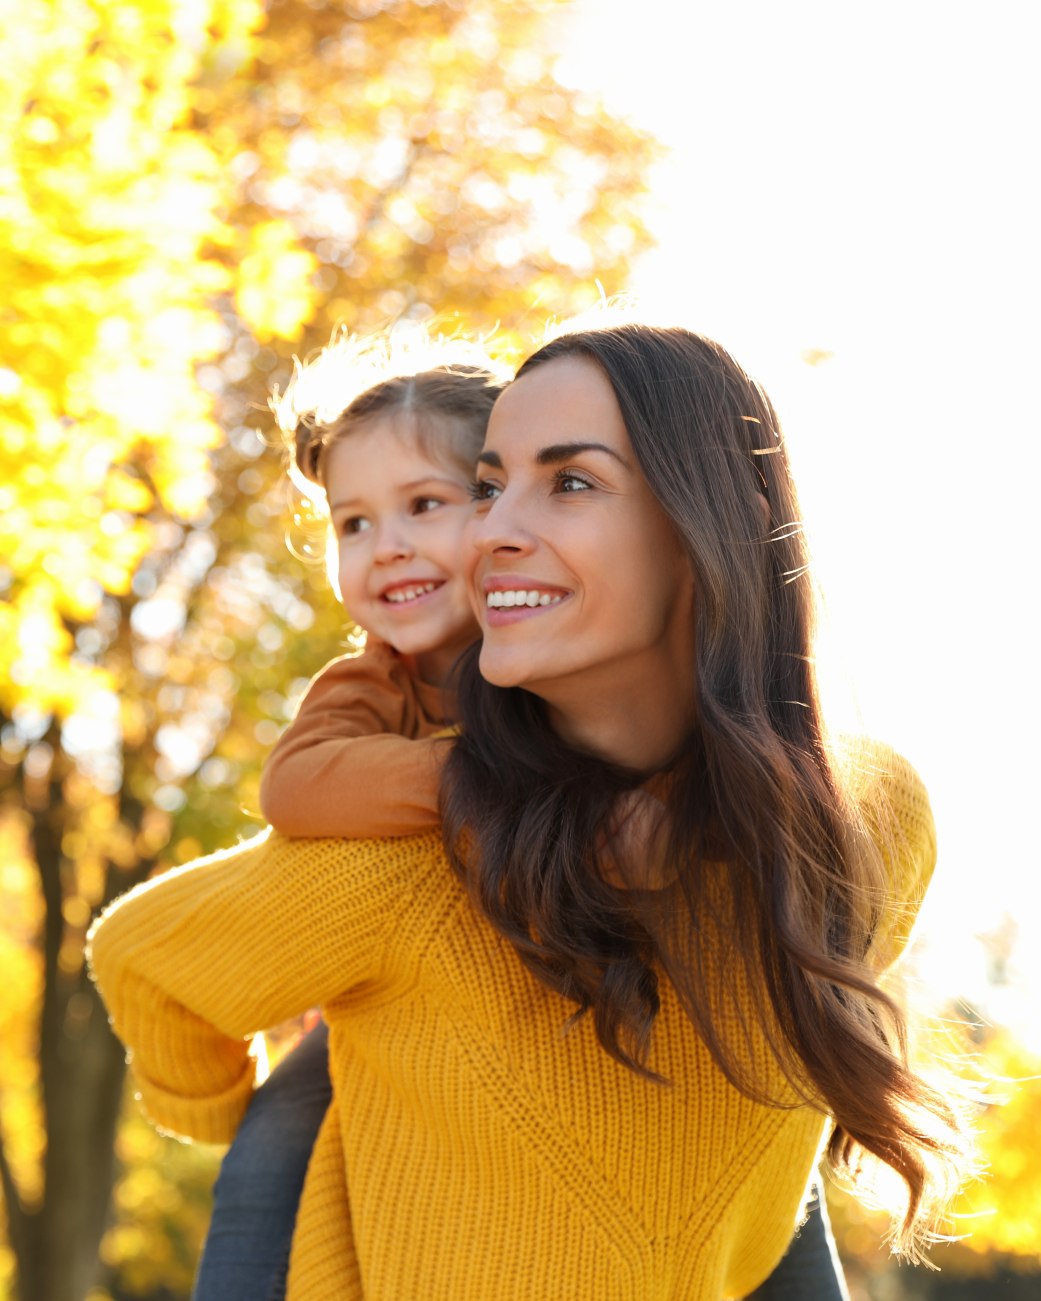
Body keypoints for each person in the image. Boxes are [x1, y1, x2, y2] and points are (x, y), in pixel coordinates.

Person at [89, 323, 970, 1299]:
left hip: (744, 1232)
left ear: (711, 519)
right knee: (288, 1124)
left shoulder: (869, 817)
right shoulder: (396, 821)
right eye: (498, 482)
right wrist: (266, 1109)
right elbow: (184, 911)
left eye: (569, 481)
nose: (489, 531)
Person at [193, 333, 506, 1299]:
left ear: (501, 504)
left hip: (553, 986)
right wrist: (486, 782)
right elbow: (299, 785)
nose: (387, 547)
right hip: (391, 1005)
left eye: (424, 506)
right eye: (353, 523)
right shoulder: (371, 683)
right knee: (276, 1138)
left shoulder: (560, 654)